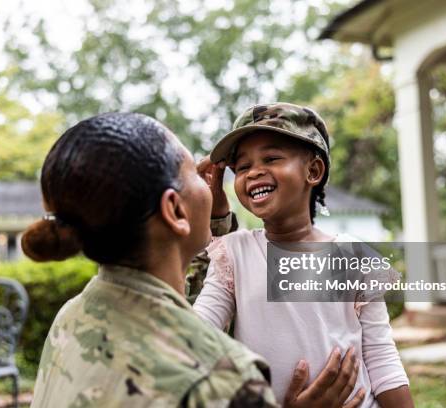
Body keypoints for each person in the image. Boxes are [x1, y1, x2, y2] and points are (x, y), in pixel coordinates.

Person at [22, 112, 364, 407]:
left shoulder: (72, 317)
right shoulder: (221, 378)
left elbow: (185, 296)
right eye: (191, 172)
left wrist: (213, 220)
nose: (211, 178)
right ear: (174, 209)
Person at [193, 103, 414, 407]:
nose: (254, 171)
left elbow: (381, 359)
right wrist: (201, 204)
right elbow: (194, 336)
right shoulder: (234, 254)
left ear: (313, 170)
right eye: (242, 167)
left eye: (271, 158)